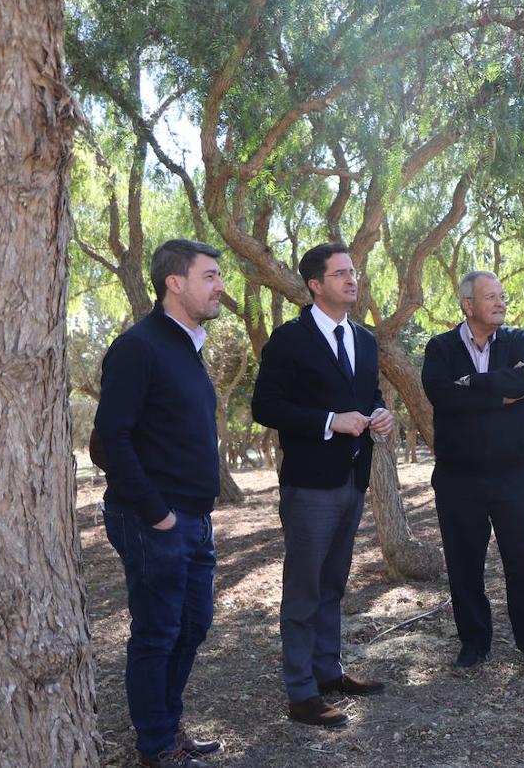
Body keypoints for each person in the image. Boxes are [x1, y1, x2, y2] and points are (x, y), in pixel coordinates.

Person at [95, 239, 227, 768]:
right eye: (211, 276)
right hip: (153, 518)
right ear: (176, 283)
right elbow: (109, 439)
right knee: (157, 632)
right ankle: (156, 745)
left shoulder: (187, 346)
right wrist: (158, 512)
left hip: (193, 518)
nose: (221, 287)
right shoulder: (140, 346)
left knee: (193, 625)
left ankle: (168, 730)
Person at [252, 243, 394, 728]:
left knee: (333, 583)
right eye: (340, 274)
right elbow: (265, 407)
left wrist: (381, 414)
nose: (352, 279)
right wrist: (331, 421)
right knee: (303, 589)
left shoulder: (366, 340)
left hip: (353, 480)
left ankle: (328, 670)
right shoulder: (289, 340)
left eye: (353, 272)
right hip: (310, 486)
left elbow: (368, 394)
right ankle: (301, 692)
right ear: (315, 285)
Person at [421, 271, 524, 675]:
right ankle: (474, 644)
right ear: (468, 305)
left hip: (514, 476)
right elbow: (442, 397)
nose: (501, 303)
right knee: (464, 566)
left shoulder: (520, 341)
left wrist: (473, 384)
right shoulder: (441, 348)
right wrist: (502, 397)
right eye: (491, 297)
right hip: (457, 479)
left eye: (502, 296)